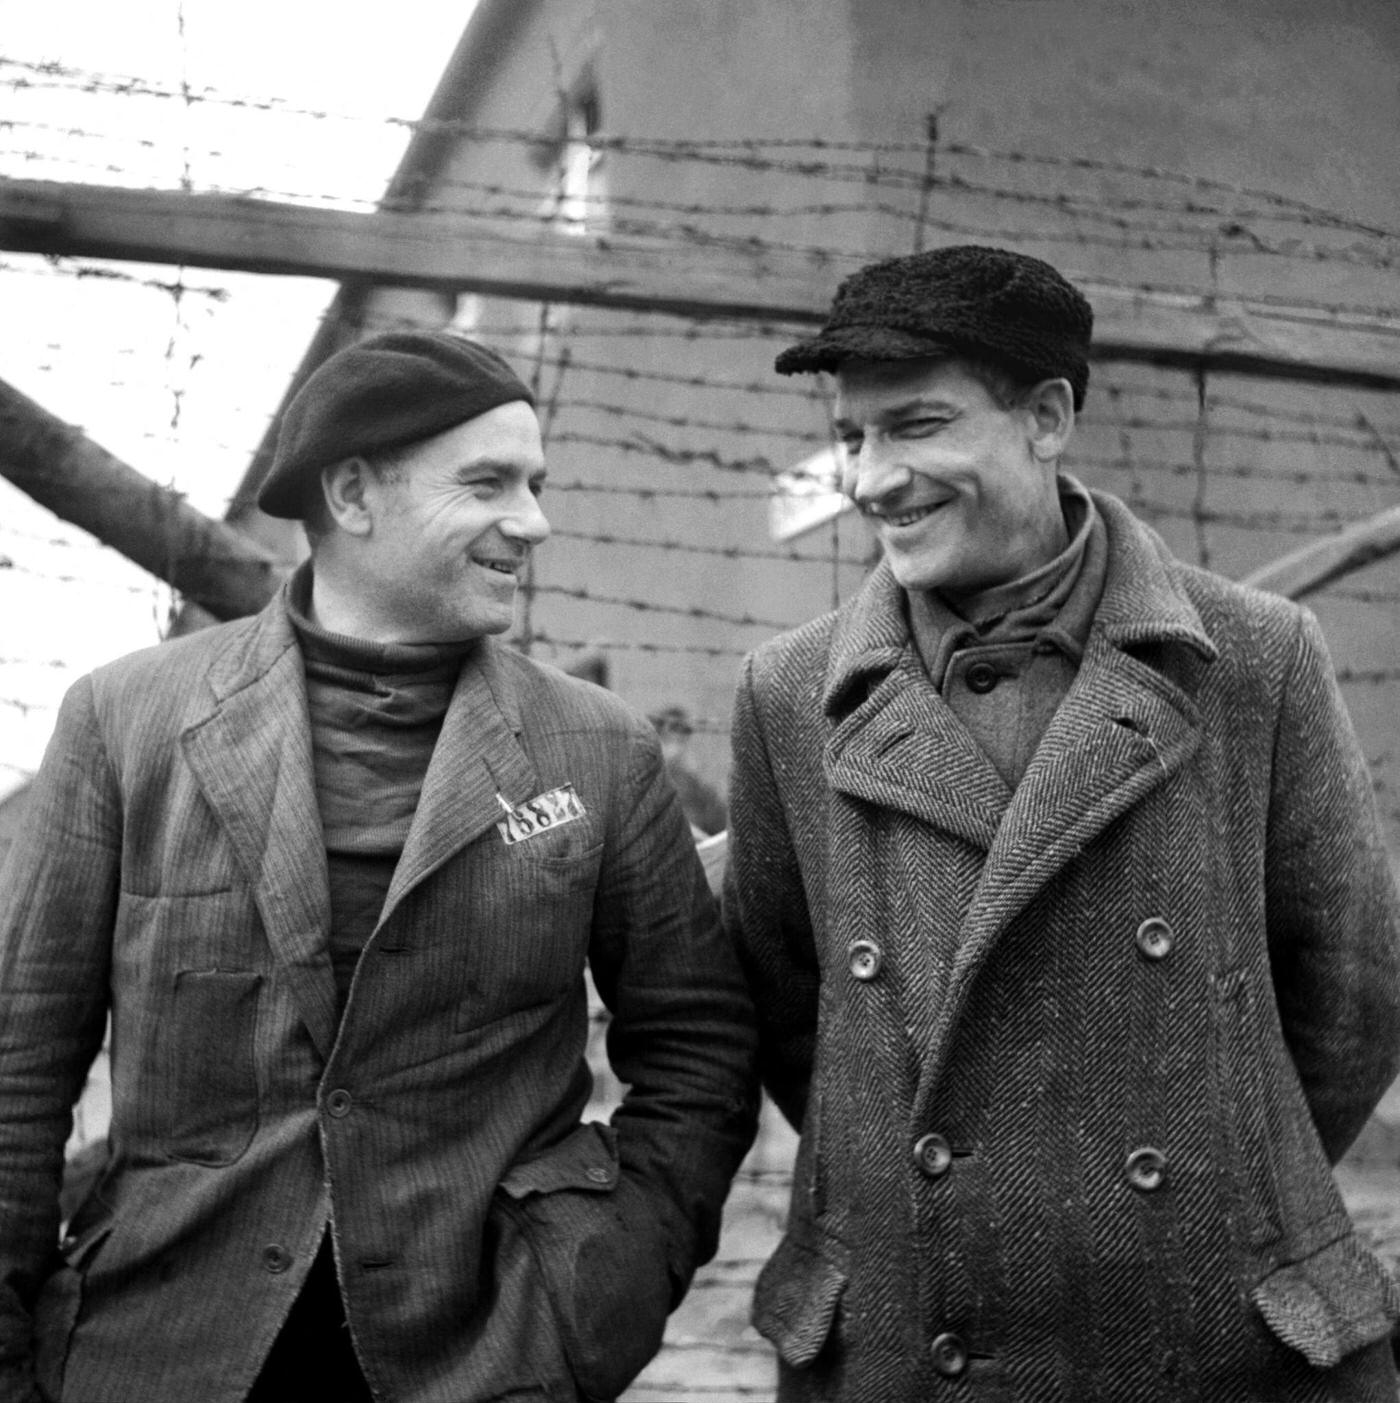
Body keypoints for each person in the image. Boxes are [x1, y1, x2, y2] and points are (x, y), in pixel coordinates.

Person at [0, 330, 758, 1403]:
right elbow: (19, 1066)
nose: (532, 520)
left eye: (534, 483)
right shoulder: (126, 721)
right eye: (488, 482)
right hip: (158, 1349)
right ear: (352, 494)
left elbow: (697, 1051)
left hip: (486, 1351)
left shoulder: (597, 746)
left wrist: (602, 1280)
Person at [723, 244, 1400, 1400]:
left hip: (1212, 1332)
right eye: (852, 436)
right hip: (911, 1335)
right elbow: (797, 1013)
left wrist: (1205, 1181)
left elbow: (1349, 990)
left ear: (1045, 418)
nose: (871, 478)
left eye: (917, 425)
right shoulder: (787, 693)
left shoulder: (1252, 657)